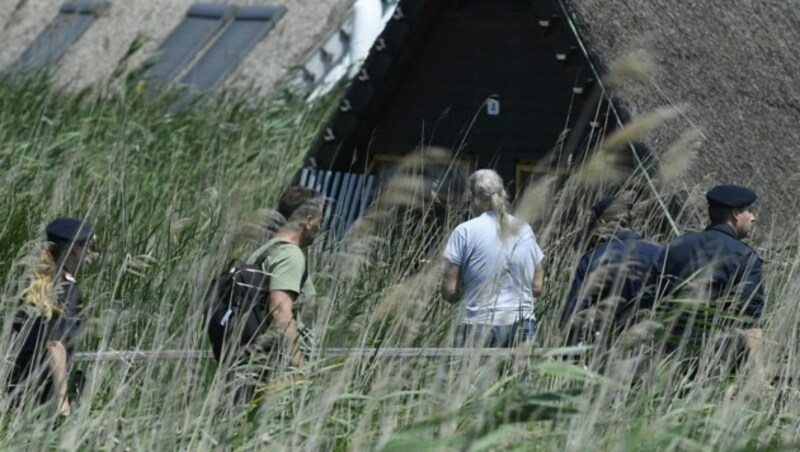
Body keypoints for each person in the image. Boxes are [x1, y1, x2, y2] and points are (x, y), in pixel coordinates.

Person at [647, 184, 765, 374]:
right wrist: (759, 377)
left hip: (665, 357)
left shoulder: (675, 246)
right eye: (749, 211)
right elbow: (748, 320)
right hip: (714, 361)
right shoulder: (745, 256)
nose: (753, 217)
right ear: (735, 214)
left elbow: (649, 296)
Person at [208, 186, 323, 369]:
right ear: (308, 221)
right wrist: (299, 366)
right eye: (319, 219)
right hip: (278, 369)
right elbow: (280, 311)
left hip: (253, 364)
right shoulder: (290, 255)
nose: (320, 226)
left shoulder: (263, 251)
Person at [440, 169, 545, 347]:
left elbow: (449, 291)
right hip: (521, 324)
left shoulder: (464, 231)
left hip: (476, 325)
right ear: (503, 194)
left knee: (471, 376)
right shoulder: (524, 229)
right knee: (517, 375)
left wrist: (469, 293)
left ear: (473, 197)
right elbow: (537, 287)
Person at [7, 217, 95, 417]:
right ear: (74, 249)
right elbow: (55, 345)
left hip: (16, 389)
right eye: (87, 246)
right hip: (42, 394)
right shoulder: (64, 288)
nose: (89, 252)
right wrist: (63, 403)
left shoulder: (33, 282)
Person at [559, 192, 663, 344]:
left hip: (606, 349)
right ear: (629, 222)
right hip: (652, 349)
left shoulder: (593, 259)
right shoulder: (661, 252)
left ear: (601, 222)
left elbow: (572, 315)